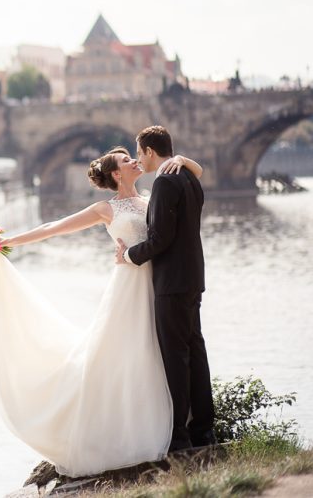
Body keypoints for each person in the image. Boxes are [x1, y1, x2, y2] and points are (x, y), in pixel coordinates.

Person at [0, 145, 202, 477]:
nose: (134, 161)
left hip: (157, 283)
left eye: (134, 156)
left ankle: (172, 425)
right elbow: (53, 228)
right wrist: (7, 242)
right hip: (129, 285)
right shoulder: (106, 208)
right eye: (127, 160)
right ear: (116, 174)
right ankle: (125, 433)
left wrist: (181, 159)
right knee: (124, 356)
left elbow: (174, 218)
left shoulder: (152, 195)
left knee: (162, 354)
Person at [115, 126, 216, 451]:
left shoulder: (163, 181)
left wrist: (129, 255)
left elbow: (161, 239)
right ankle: (203, 430)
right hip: (193, 278)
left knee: (176, 357)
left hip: (171, 282)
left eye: (139, 153)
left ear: (149, 151)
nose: (139, 159)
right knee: (196, 353)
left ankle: (179, 438)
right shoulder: (189, 178)